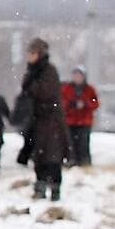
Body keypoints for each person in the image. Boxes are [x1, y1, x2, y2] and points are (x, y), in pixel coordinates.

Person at [16, 38, 68, 202]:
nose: (29, 57)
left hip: (50, 120)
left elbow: (46, 92)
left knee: (52, 156)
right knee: (38, 156)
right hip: (37, 121)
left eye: (32, 53)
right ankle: (40, 186)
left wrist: (31, 89)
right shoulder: (33, 71)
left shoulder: (48, 71)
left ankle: (54, 188)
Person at [63, 66, 99, 168]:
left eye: (79, 76)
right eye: (75, 76)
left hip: (84, 122)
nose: (77, 78)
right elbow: (62, 102)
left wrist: (86, 104)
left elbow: (95, 103)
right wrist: (72, 104)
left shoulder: (89, 89)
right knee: (71, 144)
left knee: (83, 144)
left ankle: (85, 163)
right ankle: (72, 161)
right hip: (70, 121)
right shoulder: (67, 89)